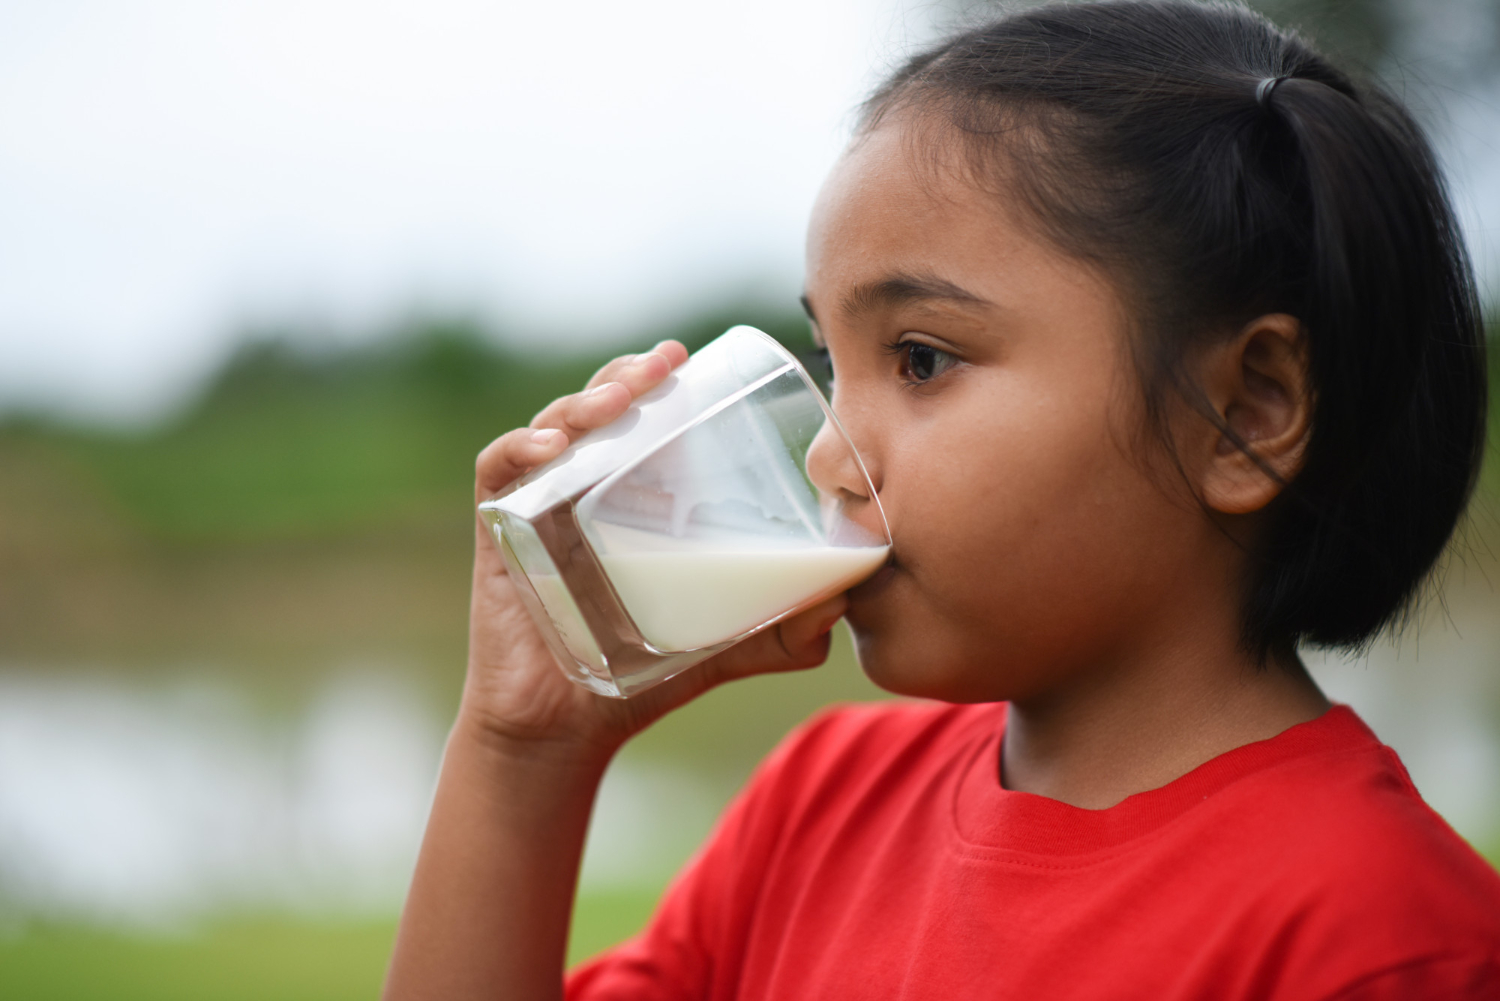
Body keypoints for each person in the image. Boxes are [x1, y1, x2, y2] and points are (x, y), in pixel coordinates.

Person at [383, 2, 1500, 998]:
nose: (826, 456)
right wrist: (519, 749)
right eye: (829, 361)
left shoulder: (1377, 937)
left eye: (919, 359)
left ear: (1247, 411)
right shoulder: (822, 807)